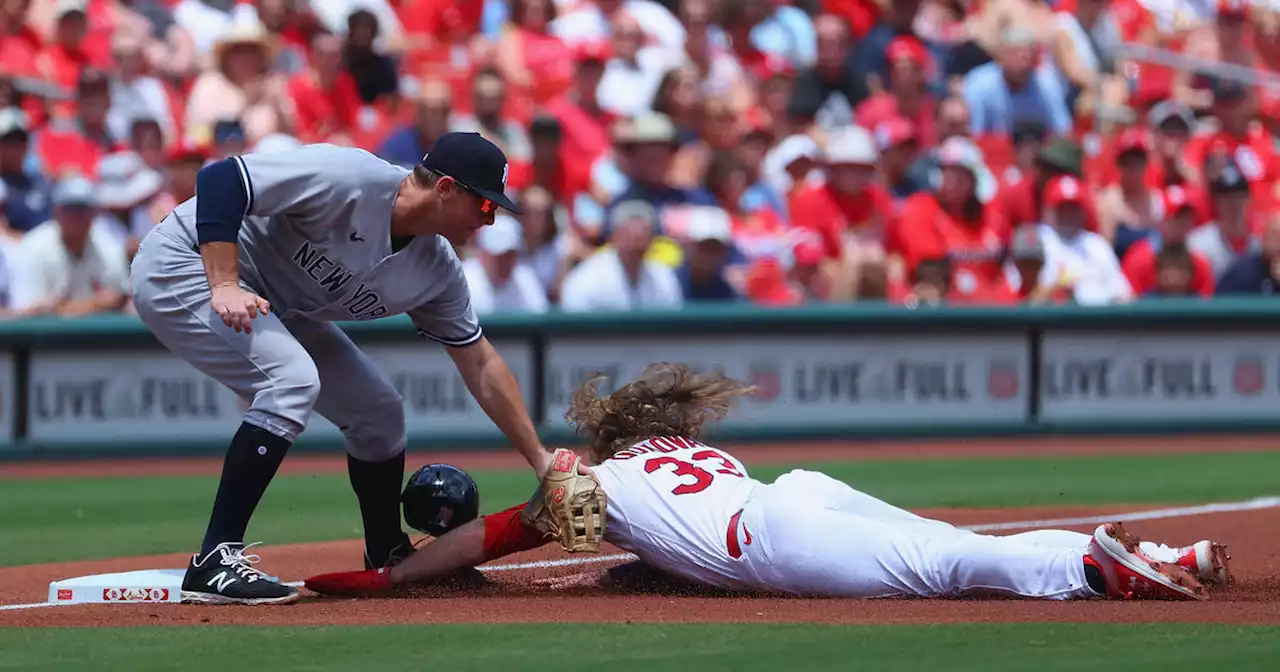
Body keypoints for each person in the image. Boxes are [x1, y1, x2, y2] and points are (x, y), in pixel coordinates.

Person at [305, 363, 1229, 602]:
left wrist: (380, 577)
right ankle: (1148, 554)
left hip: (776, 538)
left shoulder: (592, 485)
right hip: (795, 493)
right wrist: (632, 569)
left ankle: (1094, 573)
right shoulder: (692, 457)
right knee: (954, 548)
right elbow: (668, 547)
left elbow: (488, 537)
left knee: (948, 568)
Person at [130, 133, 564, 606]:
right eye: (484, 206)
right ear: (444, 189)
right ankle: (214, 559)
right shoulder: (349, 178)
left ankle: (386, 553)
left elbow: (480, 362)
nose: (491, 219)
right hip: (186, 263)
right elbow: (221, 178)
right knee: (292, 379)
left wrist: (541, 459)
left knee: (377, 413)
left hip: (277, 303)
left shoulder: (435, 270)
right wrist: (226, 282)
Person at [10, 175, 129, 317]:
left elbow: (122, 303)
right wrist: (94, 304)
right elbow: (26, 312)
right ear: (56, 211)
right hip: (46, 337)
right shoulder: (34, 247)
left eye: (82, 209)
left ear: (94, 213)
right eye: (69, 209)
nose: (76, 216)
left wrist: (60, 307)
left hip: (100, 337)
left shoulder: (109, 248)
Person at [559, 200, 683, 312]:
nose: (636, 245)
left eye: (643, 237)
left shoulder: (662, 276)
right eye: (630, 236)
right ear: (614, 237)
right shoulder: (587, 278)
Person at [461, 214, 549, 314]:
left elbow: (540, 319)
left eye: (510, 255)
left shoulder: (525, 279)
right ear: (483, 254)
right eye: (499, 256)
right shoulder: (464, 281)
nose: (505, 262)